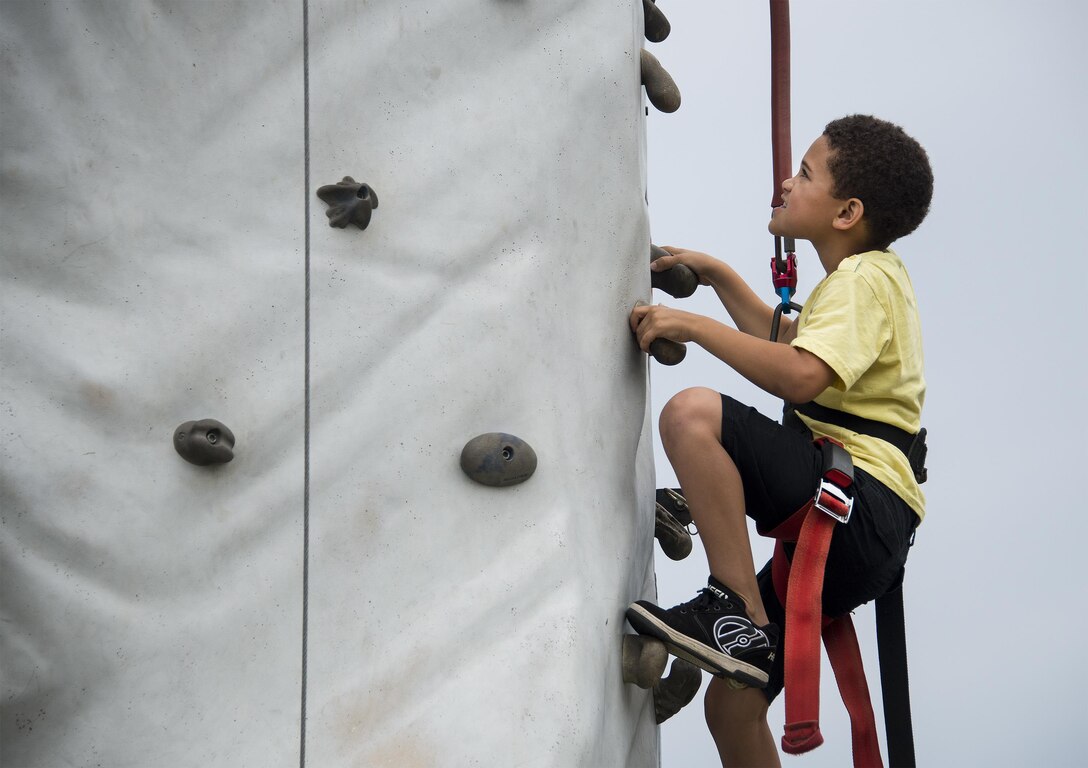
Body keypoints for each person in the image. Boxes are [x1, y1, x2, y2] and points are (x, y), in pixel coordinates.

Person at [625, 114, 933, 767]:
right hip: (865, 523)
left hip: (857, 504)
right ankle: (742, 629)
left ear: (847, 212)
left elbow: (801, 375)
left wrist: (696, 325)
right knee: (731, 703)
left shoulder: (862, 280)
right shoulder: (866, 284)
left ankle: (732, 609)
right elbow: (790, 344)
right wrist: (720, 277)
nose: (785, 184)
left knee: (691, 416)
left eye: (804, 173)